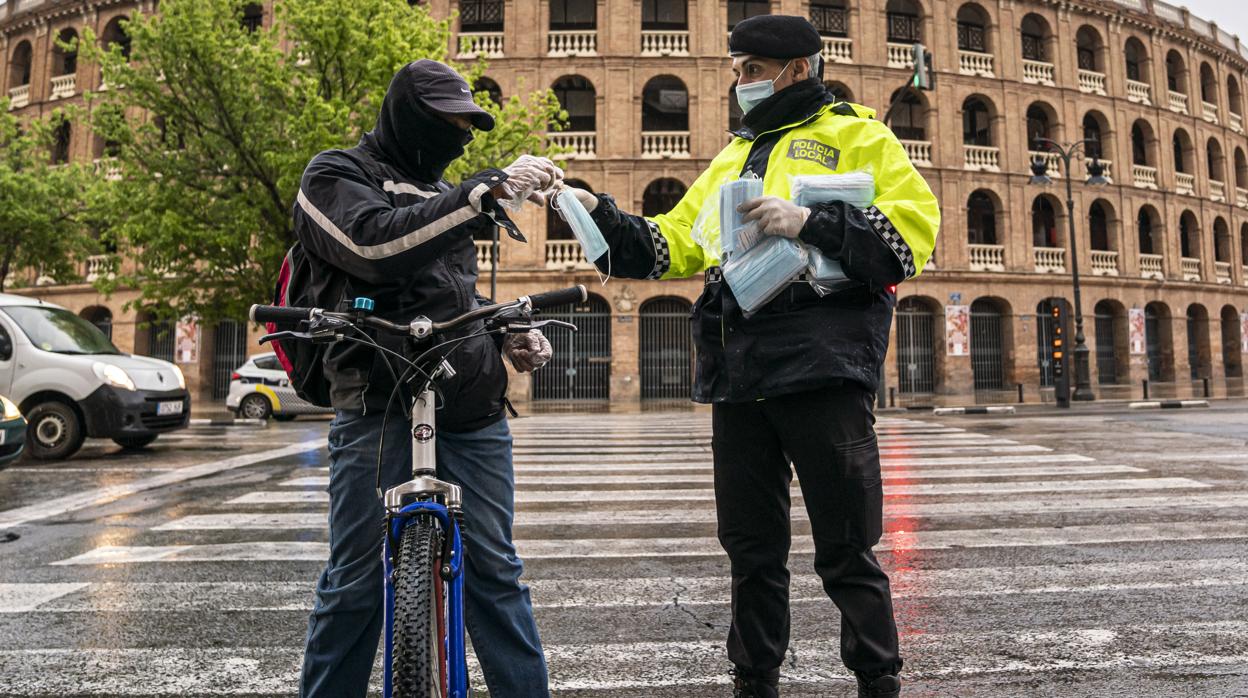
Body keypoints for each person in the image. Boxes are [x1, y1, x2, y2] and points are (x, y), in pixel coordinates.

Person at [564, 15, 939, 698]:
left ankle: (877, 680)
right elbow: (670, 245)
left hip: (823, 365)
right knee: (750, 549)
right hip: (739, 372)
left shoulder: (859, 136)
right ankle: (754, 679)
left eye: (752, 70)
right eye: (739, 70)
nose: (740, 83)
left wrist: (812, 220)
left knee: (847, 547)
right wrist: (598, 212)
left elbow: (913, 235)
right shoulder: (731, 158)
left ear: (798, 69)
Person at [292, 59, 561, 698]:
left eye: (466, 123)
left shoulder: (450, 196)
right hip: (378, 402)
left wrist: (505, 331)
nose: (457, 134)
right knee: (354, 581)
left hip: (471, 406)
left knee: (497, 573)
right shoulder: (335, 175)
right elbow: (374, 251)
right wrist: (478, 196)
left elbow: (449, 296)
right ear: (406, 113)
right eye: (445, 120)